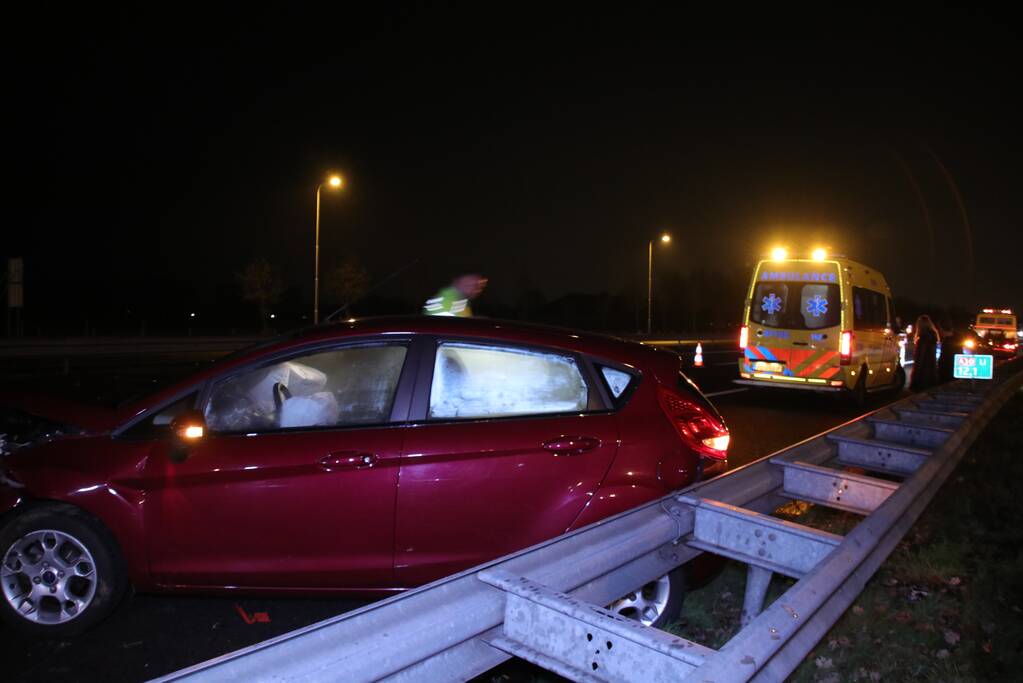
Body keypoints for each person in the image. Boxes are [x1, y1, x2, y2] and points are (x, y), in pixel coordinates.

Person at [422, 274, 487, 317]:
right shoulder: (445, 301)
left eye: (477, 286)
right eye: (470, 284)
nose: (474, 289)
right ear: (457, 281)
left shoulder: (460, 300)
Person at [910, 314, 941, 391]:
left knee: (921, 390)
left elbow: (921, 355)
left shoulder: (923, 338)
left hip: (922, 370)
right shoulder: (933, 335)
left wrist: (916, 372)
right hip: (931, 367)